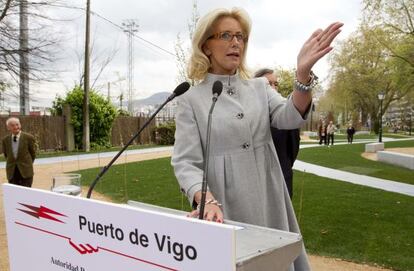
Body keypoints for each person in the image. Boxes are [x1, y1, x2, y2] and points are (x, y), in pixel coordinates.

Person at [171, 7, 342, 270]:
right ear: (206, 45)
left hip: (268, 196)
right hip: (223, 206)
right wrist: (206, 199)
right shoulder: (189, 100)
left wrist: (302, 75)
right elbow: (185, 163)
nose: (236, 42)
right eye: (226, 35)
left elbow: (291, 116)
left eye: (241, 37)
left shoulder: (260, 88)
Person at [254, 68, 300, 198]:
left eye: (276, 84)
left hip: (281, 180)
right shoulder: (246, 115)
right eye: (269, 84)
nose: (273, 88)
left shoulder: (287, 114)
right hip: (254, 182)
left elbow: (293, 149)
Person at [2, 117, 36, 187]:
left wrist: (27, 164)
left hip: (26, 171)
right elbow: (6, 155)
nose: (15, 127)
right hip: (12, 172)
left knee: (26, 194)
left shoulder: (29, 138)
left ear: (20, 125)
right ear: (8, 128)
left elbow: (33, 154)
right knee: (14, 194)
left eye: (17, 124)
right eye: (12, 125)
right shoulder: (5, 140)